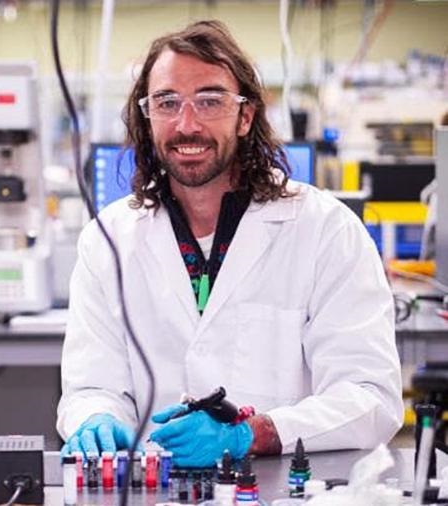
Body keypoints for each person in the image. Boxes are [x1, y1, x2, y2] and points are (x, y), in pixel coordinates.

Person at [57, 20, 403, 467]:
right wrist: (95, 418)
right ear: (147, 117)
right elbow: (91, 385)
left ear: (245, 117)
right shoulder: (108, 238)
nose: (187, 124)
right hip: (154, 485)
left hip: (282, 485)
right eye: (167, 102)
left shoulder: (325, 230)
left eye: (210, 101)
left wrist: (252, 434)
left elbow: (370, 397)